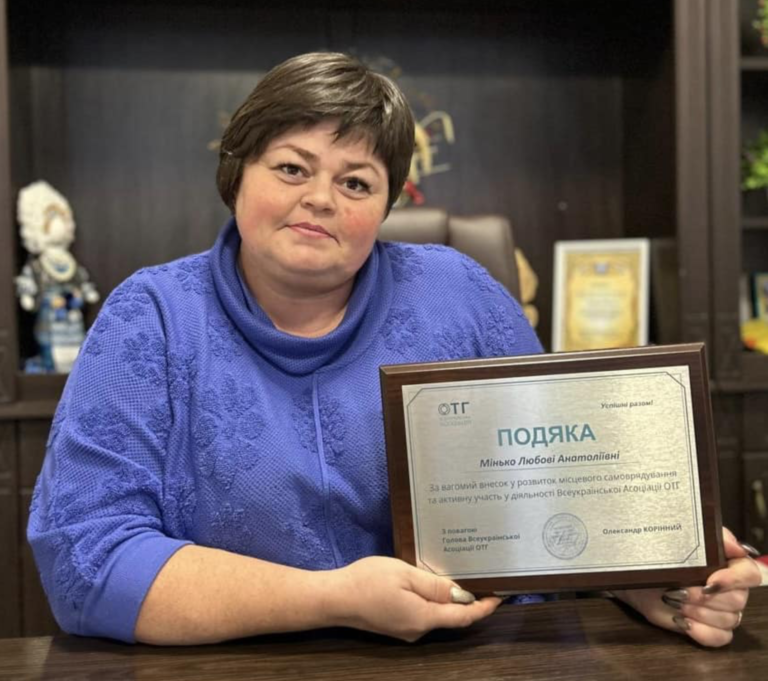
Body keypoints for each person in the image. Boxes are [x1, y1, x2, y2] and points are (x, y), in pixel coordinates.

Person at [28, 52, 762, 648]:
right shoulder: (150, 316)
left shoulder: (460, 294)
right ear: (236, 172)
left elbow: (557, 494)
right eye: (292, 167)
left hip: (480, 656)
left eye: (356, 182)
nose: (321, 198)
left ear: (386, 205)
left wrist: (646, 575)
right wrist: (332, 598)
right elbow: (86, 561)